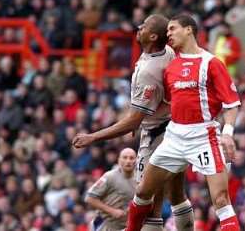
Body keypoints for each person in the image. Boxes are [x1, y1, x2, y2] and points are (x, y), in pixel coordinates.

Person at [72, 14, 194, 231]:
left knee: (146, 199)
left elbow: (132, 121)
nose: (139, 27)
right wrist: (138, 117)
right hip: (173, 126)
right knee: (175, 192)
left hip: (158, 132)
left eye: (144, 26)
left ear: (153, 36)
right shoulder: (165, 52)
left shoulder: (149, 70)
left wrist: (93, 137)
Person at [125, 14, 241, 231]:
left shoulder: (211, 63)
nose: (168, 34)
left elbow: (232, 103)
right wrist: (138, 118)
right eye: (167, 30)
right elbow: (169, 102)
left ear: (189, 30)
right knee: (142, 192)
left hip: (204, 136)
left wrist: (227, 133)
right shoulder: (171, 66)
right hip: (174, 136)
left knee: (221, 200)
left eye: (172, 29)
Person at [85, 148, 137, 231]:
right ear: (119, 160)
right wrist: (112, 211)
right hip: (105, 224)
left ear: (136, 160)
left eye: (131, 158)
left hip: (125, 227)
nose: (128, 161)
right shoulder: (110, 176)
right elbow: (89, 198)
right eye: (125, 157)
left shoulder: (139, 179)